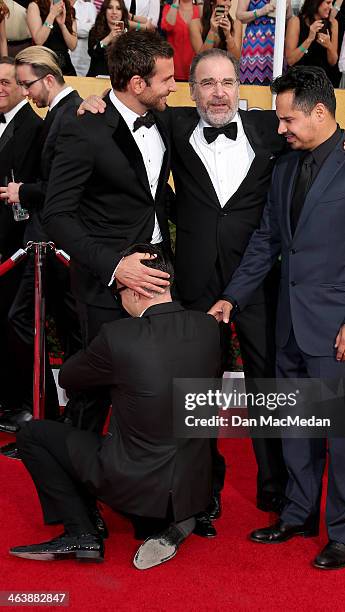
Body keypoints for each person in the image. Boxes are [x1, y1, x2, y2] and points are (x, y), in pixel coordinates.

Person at [79, 48, 345, 533]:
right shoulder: (171, 125)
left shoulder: (271, 129)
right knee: (197, 398)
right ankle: (202, 492)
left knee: (273, 393)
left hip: (260, 287)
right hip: (195, 289)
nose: (218, 92)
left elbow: (322, 139)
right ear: (189, 90)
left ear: (241, 86)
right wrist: (91, 101)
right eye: (206, 83)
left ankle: (279, 491)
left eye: (227, 82)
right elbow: (122, 110)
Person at [209, 65, 345, 569]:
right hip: (289, 322)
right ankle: (297, 514)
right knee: (294, 426)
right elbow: (268, 239)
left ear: (319, 112)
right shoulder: (286, 166)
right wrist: (234, 295)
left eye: (289, 119)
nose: (281, 129)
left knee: (343, 435)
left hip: (340, 329)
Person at [9, 243, 221, 569]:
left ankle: (80, 532)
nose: (118, 299)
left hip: (135, 488)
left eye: (118, 290)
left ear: (135, 290)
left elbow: (69, 377)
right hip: (190, 491)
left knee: (32, 434)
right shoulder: (208, 328)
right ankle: (182, 521)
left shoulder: (118, 336)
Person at [43, 30, 176, 434]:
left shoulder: (164, 117)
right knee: (96, 392)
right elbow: (57, 215)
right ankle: (78, 486)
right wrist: (116, 267)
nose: (175, 86)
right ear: (138, 83)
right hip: (105, 284)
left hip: (158, 275)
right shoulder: (84, 129)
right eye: (168, 79)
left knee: (154, 387)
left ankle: (135, 476)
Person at [0, 47, 82, 442]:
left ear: (48, 79)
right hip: (49, 238)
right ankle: (54, 419)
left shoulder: (69, 115)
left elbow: (60, 187)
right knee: (64, 327)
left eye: (26, 84)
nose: (24, 92)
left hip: (50, 239)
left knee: (28, 320)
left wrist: (22, 191)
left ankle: (45, 417)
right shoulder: (64, 113)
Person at [0, 56, 43, 423]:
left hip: (18, 247)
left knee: (18, 327)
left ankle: (25, 405)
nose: (0, 87)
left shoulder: (35, 127)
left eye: (6, 81)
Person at [285, 0, 340, 87]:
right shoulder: (296, 21)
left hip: (322, 82)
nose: (331, 7)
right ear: (316, 2)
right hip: (299, 81)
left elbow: (333, 62)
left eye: (332, 3)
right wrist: (309, 39)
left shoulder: (333, 23)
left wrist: (329, 45)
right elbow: (290, 60)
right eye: (328, 3)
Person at [26, 0, 77, 75]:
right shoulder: (35, 6)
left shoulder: (68, 8)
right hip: (43, 62)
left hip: (64, 65)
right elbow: (39, 40)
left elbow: (72, 46)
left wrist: (62, 25)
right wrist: (52, 15)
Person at [237, 0, 276, 85]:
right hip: (254, 46)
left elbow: (289, 16)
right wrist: (260, 12)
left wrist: (286, 6)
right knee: (251, 82)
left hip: (276, 44)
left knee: (276, 82)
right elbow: (239, 15)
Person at [161, 0, 202, 81]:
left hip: (196, 67)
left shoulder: (199, 9)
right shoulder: (168, 8)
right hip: (174, 67)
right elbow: (168, 26)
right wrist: (175, 3)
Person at [86, 0, 129, 77]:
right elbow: (93, 53)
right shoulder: (95, 31)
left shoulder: (128, 34)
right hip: (97, 78)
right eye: (110, 8)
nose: (114, 12)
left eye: (118, 8)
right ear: (104, 11)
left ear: (122, 12)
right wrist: (109, 37)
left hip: (120, 80)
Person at [69, 0, 97, 76]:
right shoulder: (59, 6)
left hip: (84, 61)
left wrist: (69, 27)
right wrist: (84, 25)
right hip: (66, 60)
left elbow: (93, 30)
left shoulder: (89, 7)